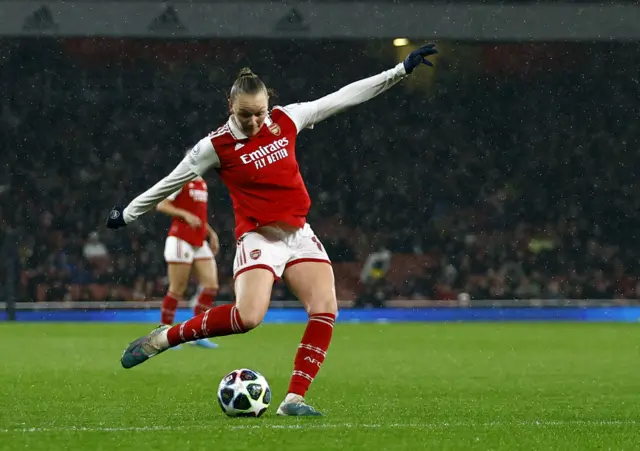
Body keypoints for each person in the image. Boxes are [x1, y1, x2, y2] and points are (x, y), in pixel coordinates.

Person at [106, 44, 438, 416]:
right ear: (231, 107)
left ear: (269, 105)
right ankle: (163, 338)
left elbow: (344, 96)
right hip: (259, 237)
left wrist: (399, 71)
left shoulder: (286, 118)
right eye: (246, 115)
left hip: (299, 233)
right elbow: (169, 183)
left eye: (259, 113)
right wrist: (129, 214)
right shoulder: (213, 147)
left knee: (325, 309)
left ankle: (293, 399)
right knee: (248, 317)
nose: (254, 122)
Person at [156, 177, 220, 349]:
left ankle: (197, 333)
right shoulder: (180, 180)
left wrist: (211, 233)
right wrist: (184, 214)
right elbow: (161, 204)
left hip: (199, 239)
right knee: (177, 288)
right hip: (180, 238)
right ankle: (164, 333)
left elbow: (199, 215)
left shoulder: (202, 184)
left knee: (211, 286)